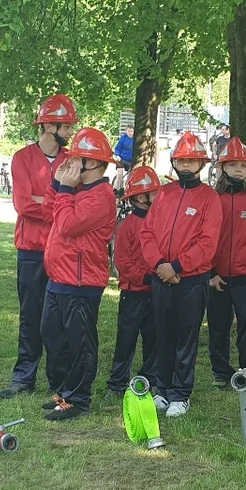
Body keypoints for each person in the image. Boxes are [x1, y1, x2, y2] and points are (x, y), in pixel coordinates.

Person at [0, 94, 77, 399]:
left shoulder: (72, 160)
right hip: (31, 250)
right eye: (66, 125)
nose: (70, 131)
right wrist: (56, 204)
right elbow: (23, 204)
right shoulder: (22, 158)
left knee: (58, 318)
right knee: (30, 314)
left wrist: (45, 201)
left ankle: (59, 380)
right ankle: (23, 376)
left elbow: (72, 203)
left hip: (60, 251)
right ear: (47, 125)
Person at [139, 131, 223, 417]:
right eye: (181, 161)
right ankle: (161, 390)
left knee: (185, 338)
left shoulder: (210, 198)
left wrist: (177, 267)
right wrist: (160, 264)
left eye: (192, 161)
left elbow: (208, 243)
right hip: (161, 277)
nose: (186, 166)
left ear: (201, 164)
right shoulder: (164, 193)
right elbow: (147, 232)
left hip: (191, 280)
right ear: (174, 163)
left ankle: (180, 393)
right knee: (162, 335)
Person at [41, 128, 118, 421]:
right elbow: (52, 210)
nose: (73, 163)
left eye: (80, 159)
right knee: (53, 337)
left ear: (97, 164)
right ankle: (62, 392)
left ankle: (79, 398)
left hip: (81, 282)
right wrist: (57, 183)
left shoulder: (101, 196)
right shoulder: (75, 190)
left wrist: (63, 190)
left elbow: (68, 225)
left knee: (79, 343)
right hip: (59, 279)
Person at [207, 137, 246, 390]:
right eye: (233, 165)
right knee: (218, 326)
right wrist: (211, 272)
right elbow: (205, 238)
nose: (239, 169)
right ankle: (220, 371)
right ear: (222, 167)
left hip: (245, 274)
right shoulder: (212, 198)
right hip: (217, 275)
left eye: (243, 165)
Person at [105, 165, 161, 399]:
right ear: (140, 197)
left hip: (156, 292)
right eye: (153, 193)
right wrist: (147, 276)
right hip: (133, 293)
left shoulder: (160, 224)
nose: (158, 198)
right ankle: (117, 384)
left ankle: (150, 380)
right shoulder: (127, 226)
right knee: (126, 340)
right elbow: (123, 262)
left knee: (154, 340)